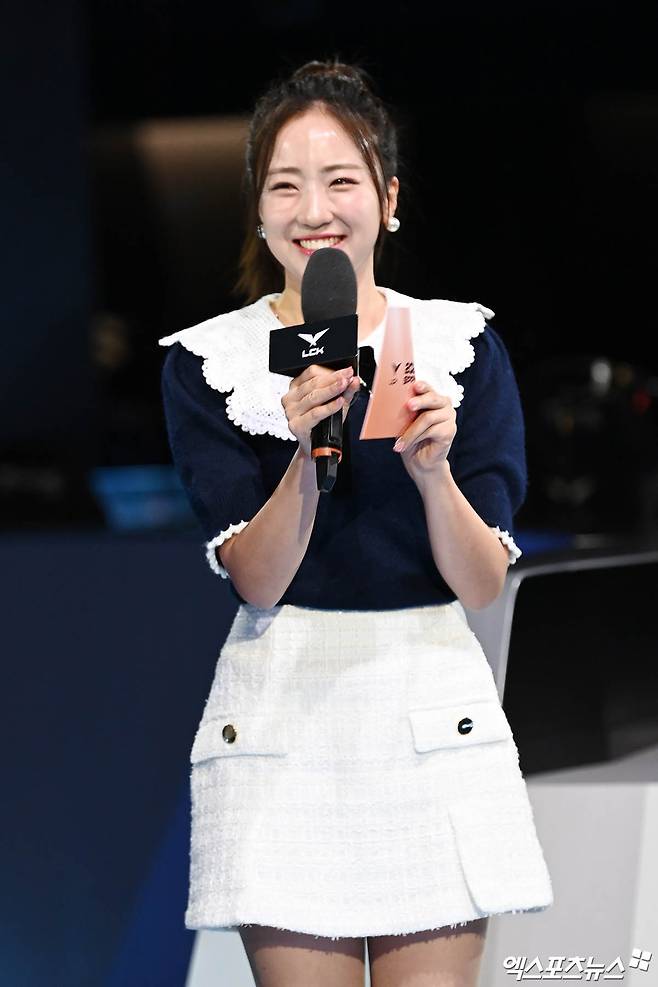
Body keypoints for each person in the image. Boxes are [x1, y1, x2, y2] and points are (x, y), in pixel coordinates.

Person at [159, 58, 553, 987]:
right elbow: (256, 578)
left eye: (340, 181)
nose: (315, 210)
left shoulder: (461, 345)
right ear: (259, 212)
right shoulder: (209, 362)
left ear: (389, 198)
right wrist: (306, 456)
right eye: (285, 186)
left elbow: (482, 582)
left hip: (430, 714)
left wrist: (431, 473)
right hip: (284, 721)